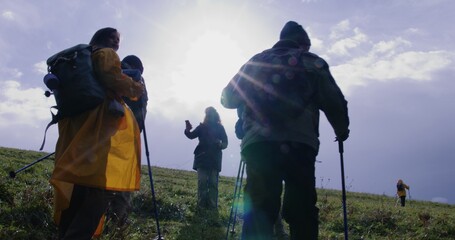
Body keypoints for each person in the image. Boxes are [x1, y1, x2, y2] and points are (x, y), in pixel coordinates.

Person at [221, 21, 350, 239]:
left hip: (259, 143)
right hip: (300, 144)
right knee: (302, 210)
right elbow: (335, 102)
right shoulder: (312, 62)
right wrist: (341, 130)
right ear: (304, 44)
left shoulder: (256, 62)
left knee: (260, 208)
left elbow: (227, 98)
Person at [50, 27, 144, 239]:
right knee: (98, 194)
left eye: (118, 40)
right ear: (104, 38)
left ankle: (64, 234)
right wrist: (136, 88)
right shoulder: (105, 54)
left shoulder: (80, 61)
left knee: (76, 192)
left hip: (75, 134)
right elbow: (112, 78)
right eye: (114, 38)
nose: (117, 43)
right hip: (97, 134)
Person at [104, 55, 149, 231]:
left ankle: (102, 219)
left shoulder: (115, 72)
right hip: (126, 136)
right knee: (122, 181)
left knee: (106, 178)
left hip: (109, 134)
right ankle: (116, 221)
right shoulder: (133, 75)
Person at [184, 106, 228, 210]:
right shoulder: (201, 127)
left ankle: (211, 207)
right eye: (208, 114)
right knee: (203, 182)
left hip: (213, 159)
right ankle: (201, 207)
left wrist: (220, 144)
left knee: (212, 183)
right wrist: (187, 129)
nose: (209, 116)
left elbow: (226, 143)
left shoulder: (220, 128)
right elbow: (191, 135)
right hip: (203, 159)